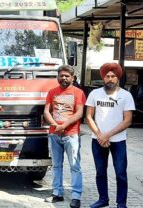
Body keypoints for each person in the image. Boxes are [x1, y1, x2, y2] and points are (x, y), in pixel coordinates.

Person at [85, 63, 135, 208]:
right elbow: (88, 117)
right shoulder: (95, 94)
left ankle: (121, 203)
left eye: (113, 76)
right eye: (107, 76)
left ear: (118, 77)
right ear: (103, 78)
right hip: (98, 140)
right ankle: (103, 199)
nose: (110, 79)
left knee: (120, 173)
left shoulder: (125, 95)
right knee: (100, 172)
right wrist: (100, 135)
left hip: (118, 141)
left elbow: (127, 120)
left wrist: (108, 135)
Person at [44, 65, 85, 208]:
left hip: (71, 134)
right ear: (57, 77)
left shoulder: (78, 93)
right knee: (56, 166)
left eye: (67, 76)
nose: (64, 78)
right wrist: (55, 125)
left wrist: (63, 126)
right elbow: (47, 111)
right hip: (54, 134)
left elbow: (79, 113)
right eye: (61, 75)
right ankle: (57, 193)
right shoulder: (52, 92)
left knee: (75, 166)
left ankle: (76, 197)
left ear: (72, 78)